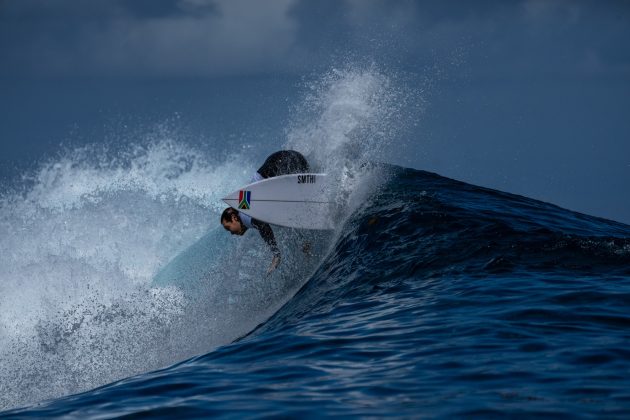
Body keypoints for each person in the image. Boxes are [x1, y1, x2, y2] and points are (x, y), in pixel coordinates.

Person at [221, 150, 309, 273]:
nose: (231, 233)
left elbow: (262, 225)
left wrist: (276, 254)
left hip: (283, 164)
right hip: (291, 158)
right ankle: (304, 242)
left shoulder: (244, 212)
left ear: (234, 218)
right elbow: (283, 219)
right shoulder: (245, 203)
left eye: (228, 228)